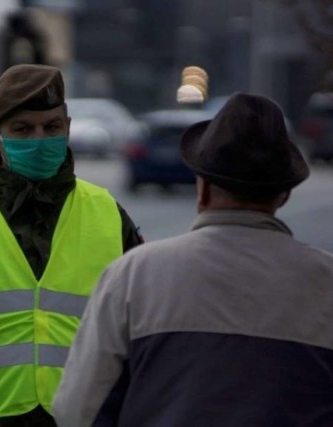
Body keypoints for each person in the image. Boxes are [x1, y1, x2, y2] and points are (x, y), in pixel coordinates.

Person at [53, 92, 333, 426]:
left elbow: (78, 410)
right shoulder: (326, 283)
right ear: (283, 195)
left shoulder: (134, 276)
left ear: (202, 189)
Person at [0, 64, 143, 426]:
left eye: (51, 127)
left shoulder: (109, 214)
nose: (39, 139)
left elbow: (139, 333)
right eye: (23, 129)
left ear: (67, 129)